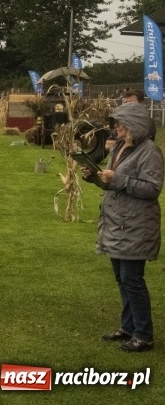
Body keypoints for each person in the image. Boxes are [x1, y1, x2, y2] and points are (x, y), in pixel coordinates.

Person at [82, 104, 163, 352]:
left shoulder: (149, 152)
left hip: (137, 224)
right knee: (122, 278)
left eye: (120, 123)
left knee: (132, 279)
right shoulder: (119, 147)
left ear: (135, 125)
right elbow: (112, 185)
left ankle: (143, 335)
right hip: (117, 221)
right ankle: (128, 327)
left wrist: (117, 179)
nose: (115, 127)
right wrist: (95, 176)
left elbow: (152, 188)